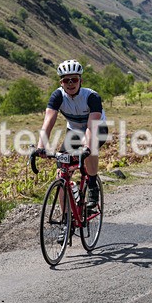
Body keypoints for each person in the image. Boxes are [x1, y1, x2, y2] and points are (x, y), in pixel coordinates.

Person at [34, 59, 108, 208]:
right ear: (61, 82)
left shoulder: (91, 97)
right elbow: (48, 121)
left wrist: (86, 147)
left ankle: (92, 185)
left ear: (81, 80)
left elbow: (91, 127)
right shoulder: (58, 96)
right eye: (66, 80)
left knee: (89, 148)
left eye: (74, 79)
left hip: (96, 129)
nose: (70, 83)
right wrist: (40, 146)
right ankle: (66, 221)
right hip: (74, 131)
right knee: (61, 173)